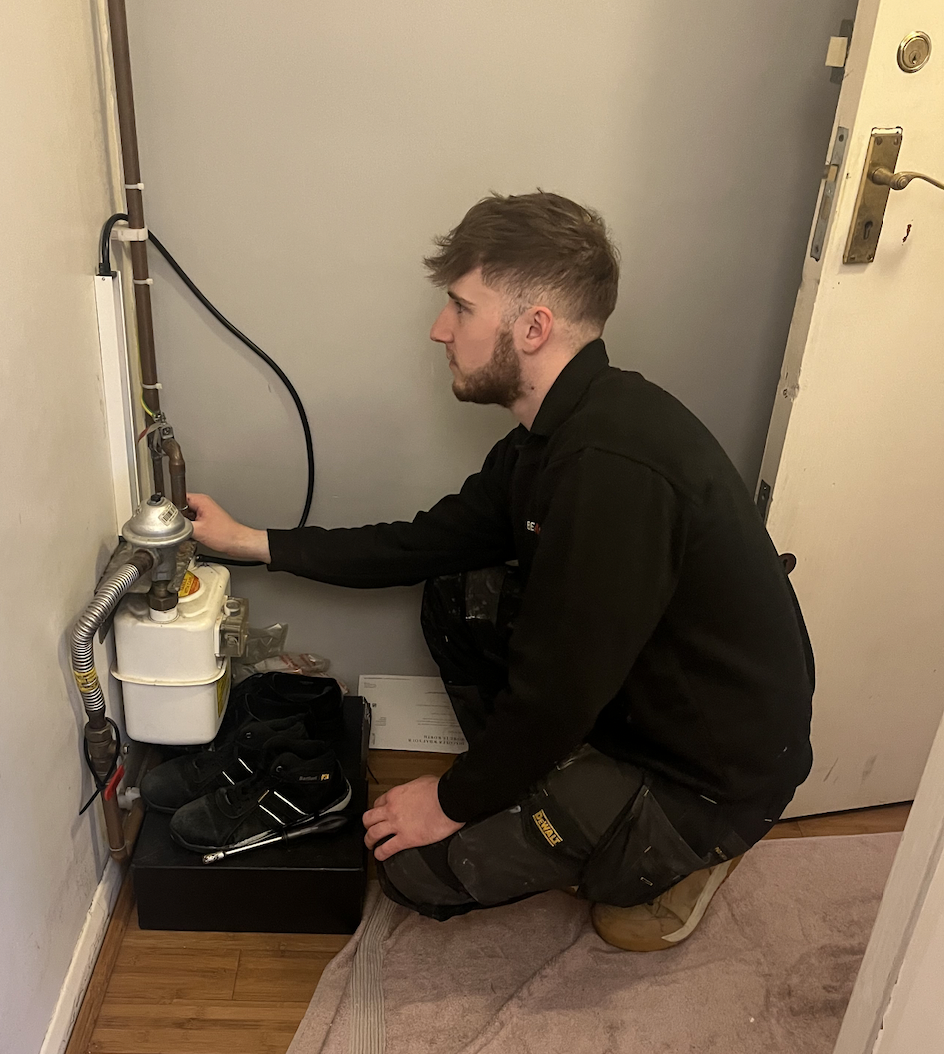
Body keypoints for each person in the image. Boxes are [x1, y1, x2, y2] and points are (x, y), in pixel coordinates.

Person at [186, 191, 814, 952]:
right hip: (632, 697)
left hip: (705, 775)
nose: (439, 329)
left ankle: (677, 856)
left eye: (460, 307)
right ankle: (546, 788)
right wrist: (249, 540)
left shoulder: (609, 469)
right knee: (457, 592)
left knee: (413, 868)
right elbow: (424, 545)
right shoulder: (547, 438)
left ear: (533, 326)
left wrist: (450, 802)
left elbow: (559, 689)